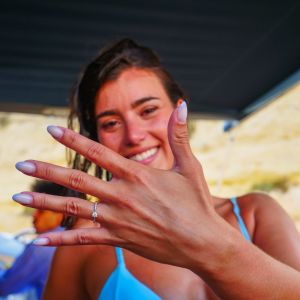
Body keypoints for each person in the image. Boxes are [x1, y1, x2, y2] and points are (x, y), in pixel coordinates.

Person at [13, 39, 300, 299]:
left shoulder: (255, 214)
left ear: (179, 111)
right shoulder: (86, 242)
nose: (134, 135)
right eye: (111, 123)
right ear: (96, 139)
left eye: (148, 110)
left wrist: (206, 244)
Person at [1, 181, 64, 300]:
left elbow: (4, 287)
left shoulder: (42, 246)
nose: (34, 216)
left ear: (60, 213)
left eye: (41, 211)